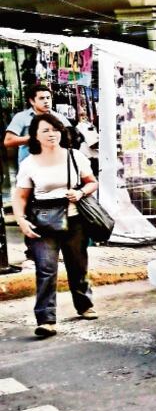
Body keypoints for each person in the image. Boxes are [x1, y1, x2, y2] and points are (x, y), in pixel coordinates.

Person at [10, 113, 99, 338]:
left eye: (55, 129)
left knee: (78, 265)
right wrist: (21, 220)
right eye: (46, 131)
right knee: (46, 270)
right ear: (35, 136)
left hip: (75, 219)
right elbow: (20, 196)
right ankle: (46, 319)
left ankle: (84, 304)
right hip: (43, 222)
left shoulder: (75, 156)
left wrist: (79, 192)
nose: (52, 134)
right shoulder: (29, 163)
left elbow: (92, 183)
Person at [4, 84, 71, 165]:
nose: (46, 101)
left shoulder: (59, 118)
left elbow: (71, 136)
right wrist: (34, 138)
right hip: (30, 166)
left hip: (56, 164)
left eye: (48, 98)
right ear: (32, 101)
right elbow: (8, 141)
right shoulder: (21, 117)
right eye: (41, 98)